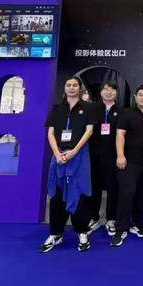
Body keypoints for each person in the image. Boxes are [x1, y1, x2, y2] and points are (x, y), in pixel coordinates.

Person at [40, 76, 96, 253]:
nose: (71, 88)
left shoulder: (88, 108)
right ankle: (56, 233)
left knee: (80, 193)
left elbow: (89, 131)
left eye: (75, 85)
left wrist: (74, 151)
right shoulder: (57, 109)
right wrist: (57, 153)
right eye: (68, 85)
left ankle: (82, 231)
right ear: (64, 88)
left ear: (80, 88)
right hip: (59, 157)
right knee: (57, 195)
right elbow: (51, 133)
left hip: (79, 156)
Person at [111, 84, 143, 247]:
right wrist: (120, 155)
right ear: (136, 97)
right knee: (126, 193)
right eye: (141, 95)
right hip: (129, 161)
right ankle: (120, 228)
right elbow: (120, 134)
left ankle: (137, 222)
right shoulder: (127, 113)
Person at [89, 82, 121, 236]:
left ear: (116, 92)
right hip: (93, 155)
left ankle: (111, 219)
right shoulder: (92, 109)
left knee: (112, 189)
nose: (109, 92)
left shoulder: (122, 111)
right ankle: (93, 218)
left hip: (113, 156)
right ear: (101, 92)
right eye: (105, 89)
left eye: (112, 89)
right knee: (93, 187)